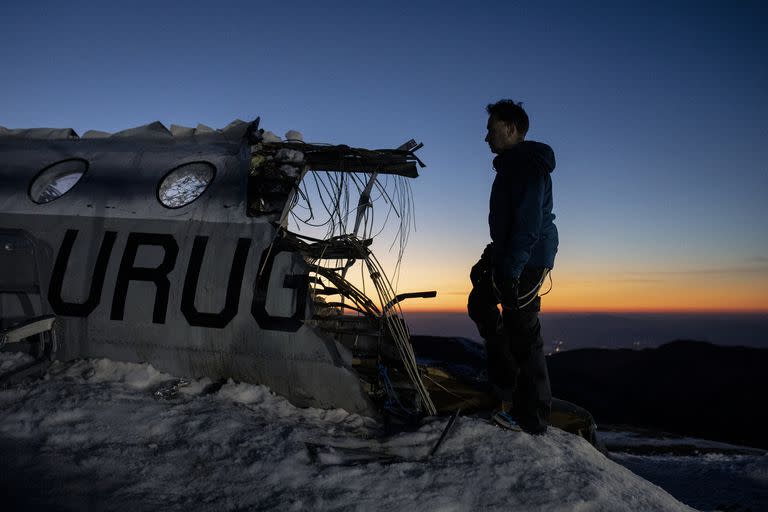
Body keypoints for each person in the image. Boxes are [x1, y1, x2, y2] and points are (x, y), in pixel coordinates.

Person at [468, 99, 558, 434]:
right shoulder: (511, 165)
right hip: (512, 253)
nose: (486, 137)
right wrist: (491, 257)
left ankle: (531, 417)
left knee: (522, 327)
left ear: (511, 128)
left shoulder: (525, 166)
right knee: (481, 302)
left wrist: (511, 269)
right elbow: (510, 223)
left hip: (529, 258)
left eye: (491, 129)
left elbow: (528, 226)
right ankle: (505, 383)